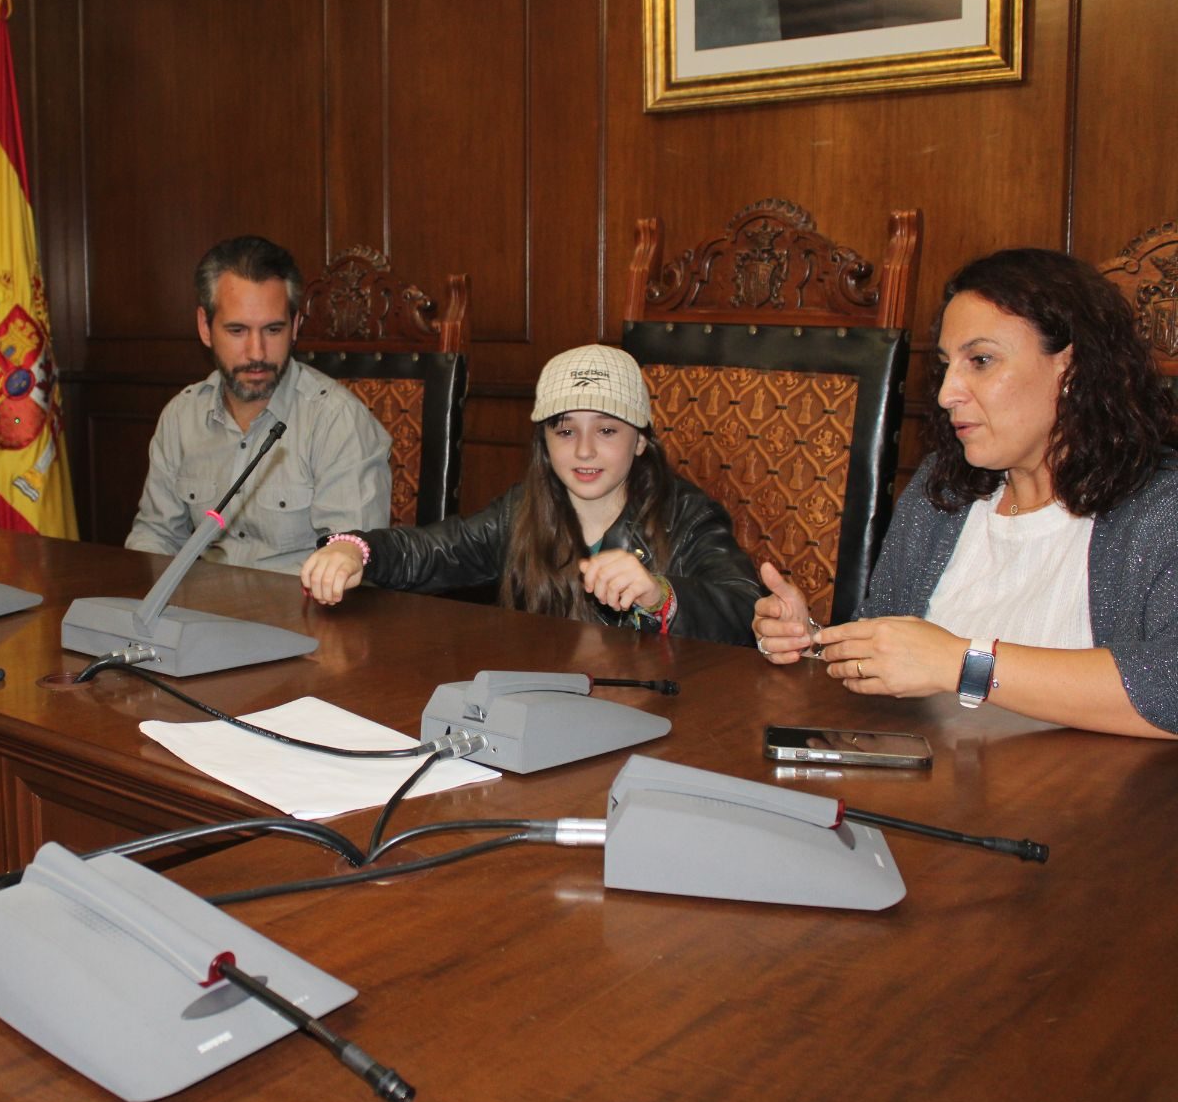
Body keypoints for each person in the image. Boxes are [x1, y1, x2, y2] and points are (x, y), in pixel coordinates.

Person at [754, 247, 1178, 737]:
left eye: (981, 360)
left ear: (1072, 368)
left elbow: (1168, 689)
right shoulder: (943, 492)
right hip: (928, 792)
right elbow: (894, 656)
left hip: (1075, 804)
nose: (945, 392)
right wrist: (813, 642)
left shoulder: (1159, 508)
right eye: (946, 364)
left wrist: (962, 663)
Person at [301, 343, 761, 644]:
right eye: (564, 431)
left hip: (662, 717)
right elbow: (432, 550)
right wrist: (354, 548)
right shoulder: (523, 509)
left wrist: (659, 595)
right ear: (544, 441)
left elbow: (745, 610)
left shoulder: (688, 515)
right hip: (545, 710)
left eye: (606, 429)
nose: (584, 449)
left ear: (640, 441)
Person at [125, 234, 391, 574]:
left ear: (294, 327)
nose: (256, 353)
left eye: (273, 330)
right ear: (205, 327)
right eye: (237, 331)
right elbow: (155, 537)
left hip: (302, 618)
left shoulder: (337, 420)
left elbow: (353, 558)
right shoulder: (182, 416)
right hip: (201, 615)